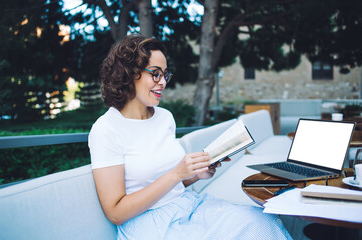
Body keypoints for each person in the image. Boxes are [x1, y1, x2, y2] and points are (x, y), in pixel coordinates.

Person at [89, 35, 293, 240]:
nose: (162, 83)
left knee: (260, 221)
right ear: (130, 73)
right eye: (155, 74)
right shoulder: (106, 130)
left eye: (165, 75)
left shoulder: (164, 118)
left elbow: (174, 185)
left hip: (188, 206)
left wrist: (196, 173)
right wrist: (176, 174)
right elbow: (116, 213)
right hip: (150, 225)